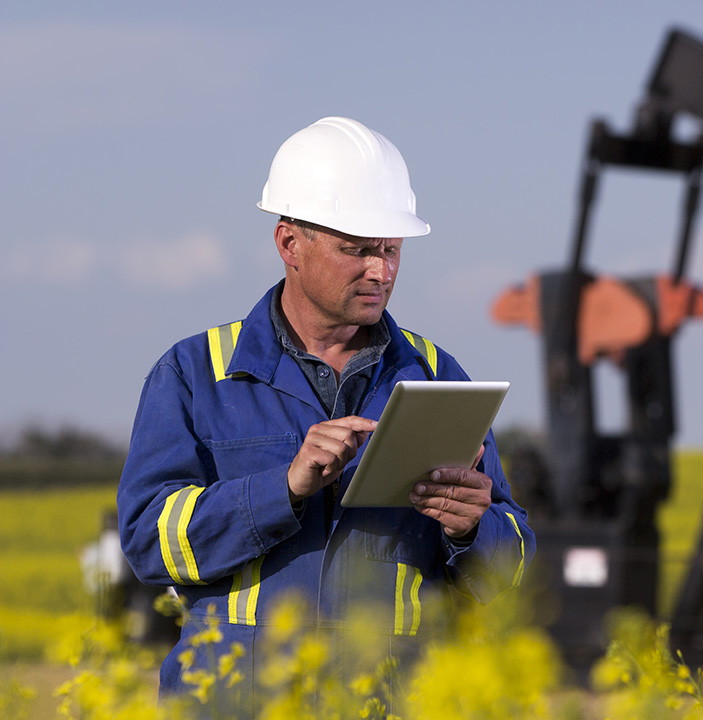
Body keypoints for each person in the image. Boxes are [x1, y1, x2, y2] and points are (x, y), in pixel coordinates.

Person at [116, 117, 534, 709]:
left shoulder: (437, 374)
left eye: (391, 250)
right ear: (290, 243)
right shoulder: (194, 373)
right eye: (357, 250)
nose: (381, 271)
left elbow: (513, 570)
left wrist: (470, 527)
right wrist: (282, 489)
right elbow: (148, 542)